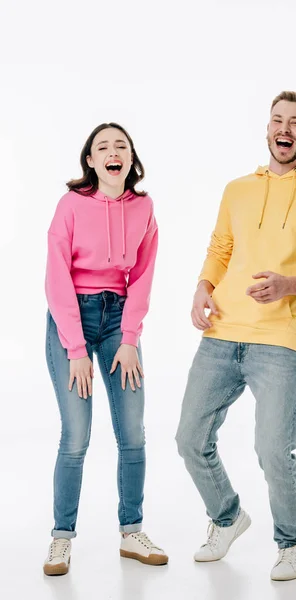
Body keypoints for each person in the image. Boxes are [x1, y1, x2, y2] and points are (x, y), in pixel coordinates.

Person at [176, 91, 296, 581]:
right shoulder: (238, 188)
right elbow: (221, 246)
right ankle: (227, 517)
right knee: (189, 438)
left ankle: (293, 542)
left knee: (273, 450)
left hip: (283, 339)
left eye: (295, 122)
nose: (285, 128)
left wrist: (293, 286)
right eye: (277, 120)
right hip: (221, 332)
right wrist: (202, 287)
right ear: (267, 129)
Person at [43, 122, 168, 576]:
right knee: (76, 436)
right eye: (102, 147)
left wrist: (130, 338)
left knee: (132, 432)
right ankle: (61, 539)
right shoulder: (70, 205)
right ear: (91, 162)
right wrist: (75, 348)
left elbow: (144, 276)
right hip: (70, 318)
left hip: (118, 318)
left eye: (121, 146)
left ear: (130, 160)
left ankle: (131, 531)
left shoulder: (145, 207)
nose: (112, 152)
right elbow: (56, 278)